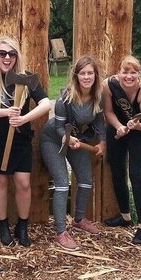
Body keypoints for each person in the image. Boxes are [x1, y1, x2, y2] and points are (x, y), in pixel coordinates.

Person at [0, 36, 51, 247]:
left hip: (20, 138)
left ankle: (22, 225)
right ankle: (2, 225)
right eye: (2, 53)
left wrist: (24, 118)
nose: (7, 58)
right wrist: (5, 112)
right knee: (0, 181)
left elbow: (46, 103)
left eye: (12, 54)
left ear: (17, 56)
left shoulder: (26, 77)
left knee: (23, 182)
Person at [41, 56, 107, 250]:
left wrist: (102, 143)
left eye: (90, 73)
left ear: (95, 75)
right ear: (76, 76)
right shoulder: (65, 99)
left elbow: (99, 122)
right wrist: (68, 139)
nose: (86, 77)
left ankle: (79, 220)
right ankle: (61, 232)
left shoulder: (99, 96)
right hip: (54, 140)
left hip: (77, 140)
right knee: (62, 184)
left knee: (86, 180)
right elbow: (61, 128)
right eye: (83, 73)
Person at [103, 55, 141, 245]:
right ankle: (125, 217)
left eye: (133, 72)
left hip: (139, 135)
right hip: (117, 131)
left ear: (139, 74)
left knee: (136, 175)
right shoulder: (109, 85)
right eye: (125, 72)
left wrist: (136, 126)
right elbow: (108, 112)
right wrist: (118, 126)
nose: (129, 76)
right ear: (119, 73)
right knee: (118, 173)